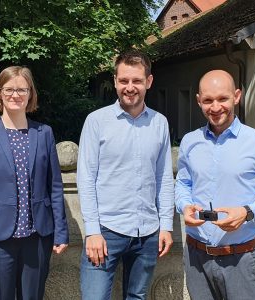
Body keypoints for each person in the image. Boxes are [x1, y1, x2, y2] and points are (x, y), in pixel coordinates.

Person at [175, 70, 255, 300]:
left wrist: (247, 212)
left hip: (240, 258)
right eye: (208, 100)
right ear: (199, 100)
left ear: (236, 96)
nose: (215, 107)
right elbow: (183, 184)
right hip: (196, 257)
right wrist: (184, 205)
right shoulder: (190, 141)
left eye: (223, 99)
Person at [77, 49, 175, 300]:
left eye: (137, 81)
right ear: (115, 81)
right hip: (106, 231)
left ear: (149, 82)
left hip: (148, 233)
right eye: (124, 81)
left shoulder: (160, 123)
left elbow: (164, 177)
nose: (130, 87)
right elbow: (86, 178)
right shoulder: (96, 121)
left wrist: (166, 225)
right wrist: (93, 231)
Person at [0, 66, 69, 299]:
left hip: (37, 237)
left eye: (22, 89)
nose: (15, 95)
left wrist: (61, 232)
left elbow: (54, 186)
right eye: (9, 89)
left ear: (30, 93)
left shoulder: (44, 133)